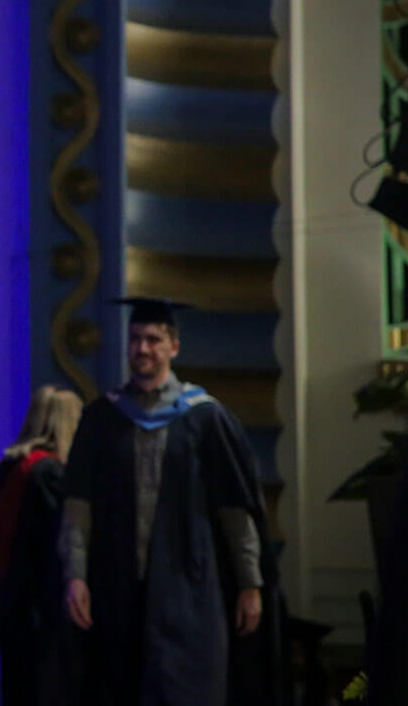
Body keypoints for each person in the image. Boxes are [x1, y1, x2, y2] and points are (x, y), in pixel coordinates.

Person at [59, 298, 281, 706]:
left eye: (153, 339)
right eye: (135, 339)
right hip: (117, 588)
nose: (142, 349)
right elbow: (79, 505)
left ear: (173, 347)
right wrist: (76, 574)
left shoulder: (205, 418)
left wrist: (250, 583)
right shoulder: (102, 419)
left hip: (189, 588)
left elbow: (235, 509)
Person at [0, 385, 83, 705]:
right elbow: (58, 543)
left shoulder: (8, 465)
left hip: (6, 597)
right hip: (41, 605)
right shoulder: (48, 472)